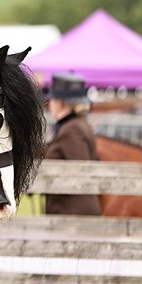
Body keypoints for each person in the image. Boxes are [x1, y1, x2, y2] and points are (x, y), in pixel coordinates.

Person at [43, 74, 102, 216]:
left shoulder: (72, 130)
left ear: (61, 103)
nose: (49, 104)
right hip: (73, 209)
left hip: (72, 211)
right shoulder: (75, 125)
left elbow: (80, 171)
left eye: (52, 100)